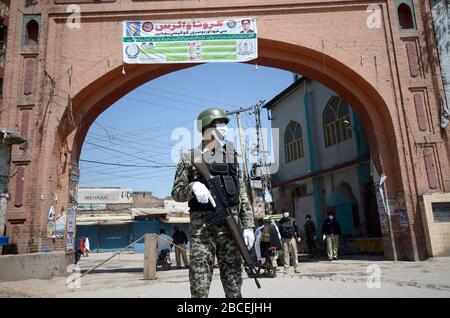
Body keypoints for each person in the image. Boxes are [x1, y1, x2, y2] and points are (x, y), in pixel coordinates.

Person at [171, 107, 255, 298]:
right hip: (203, 231)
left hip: (230, 227)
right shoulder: (190, 157)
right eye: (219, 123)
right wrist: (192, 188)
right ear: (206, 127)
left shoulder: (232, 156)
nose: (224, 128)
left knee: (234, 283)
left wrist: (249, 226)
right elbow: (176, 192)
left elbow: (242, 194)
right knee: (200, 284)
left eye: (225, 124)